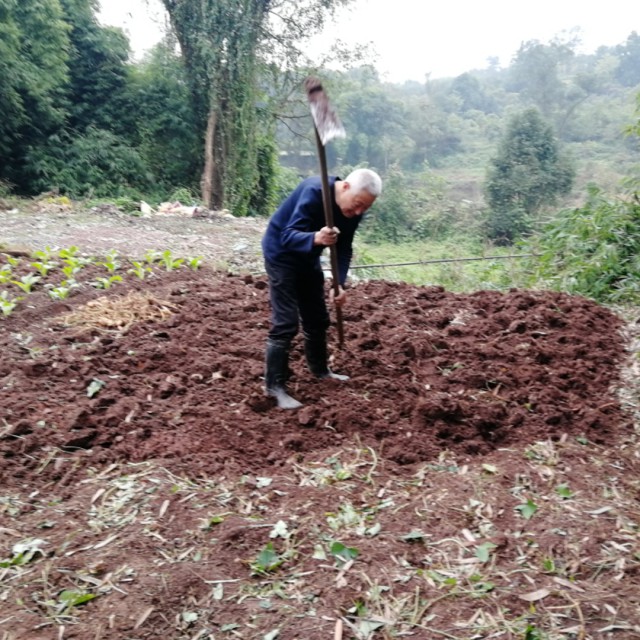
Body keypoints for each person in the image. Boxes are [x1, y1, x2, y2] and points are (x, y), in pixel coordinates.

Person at [262, 168, 382, 409]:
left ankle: (320, 370)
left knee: (317, 317)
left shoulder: (353, 211)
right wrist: (315, 238)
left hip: (308, 258)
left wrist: (339, 283)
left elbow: (344, 248)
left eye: (365, 208)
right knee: (286, 322)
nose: (358, 212)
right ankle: (274, 388)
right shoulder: (314, 192)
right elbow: (287, 235)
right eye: (357, 205)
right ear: (345, 187)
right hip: (281, 255)